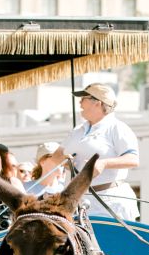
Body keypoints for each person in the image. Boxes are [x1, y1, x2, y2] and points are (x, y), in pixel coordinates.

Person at [51, 82, 140, 220]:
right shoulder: (77, 130)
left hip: (111, 202)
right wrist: (65, 162)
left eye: (83, 99)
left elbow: (133, 159)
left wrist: (103, 163)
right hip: (81, 202)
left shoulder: (117, 128)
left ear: (97, 103)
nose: (79, 103)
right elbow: (56, 156)